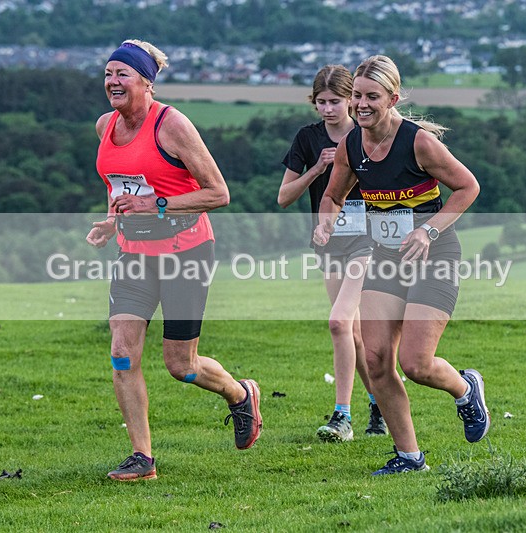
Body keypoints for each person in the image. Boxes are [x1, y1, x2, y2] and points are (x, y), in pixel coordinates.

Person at [86, 39, 262, 481]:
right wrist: (112, 220)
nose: (112, 81)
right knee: (122, 352)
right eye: (108, 74)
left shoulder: (173, 126)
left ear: (147, 81)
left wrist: (156, 207)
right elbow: (120, 185)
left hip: (185, 252)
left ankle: (240, 395)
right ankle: (142, 457)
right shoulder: (105, 125)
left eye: (122, 74)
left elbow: (218, 193)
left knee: (181, 366)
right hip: (133, 255)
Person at [313, 55, 490, 475]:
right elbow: (333, 197)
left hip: (434, 256)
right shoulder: (350, 147)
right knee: (376, 361)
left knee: (416, 363)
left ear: (392, 98)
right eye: (356, 95)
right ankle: (410, 457)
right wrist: (325, 224)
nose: (361, 104)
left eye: (372, 96)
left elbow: (468, 187)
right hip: (386, 259)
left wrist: (427, 231)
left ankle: (466, 389)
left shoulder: (419, 143)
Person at [278, 65, 387, 442]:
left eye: (336, 101)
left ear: (350, 101)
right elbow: (284, 197)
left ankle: (342, 416)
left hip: (367, 240)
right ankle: (379, 403)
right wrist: (316, 169)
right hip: (328, 242)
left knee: (339, 323)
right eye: (321, 102)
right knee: (353, 335)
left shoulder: (367, 136)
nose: (328, 109)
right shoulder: (307, 140)